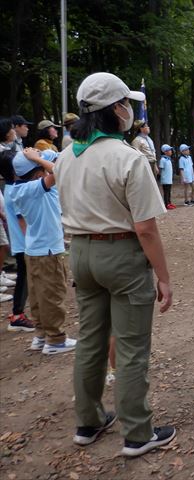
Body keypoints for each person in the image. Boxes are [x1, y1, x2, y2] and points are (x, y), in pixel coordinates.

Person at [54, 72, 175, 457]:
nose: (130, 111)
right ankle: (138, 432)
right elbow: (146, 229)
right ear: (114, 110)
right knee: (131, 346)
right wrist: (164, 277)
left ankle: (87, 421)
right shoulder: (128, 158)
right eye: (127, 104)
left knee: (90, 340)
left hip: (80, 254)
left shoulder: (64, 158)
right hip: (121, 255)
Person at [9, 148, 76, 354]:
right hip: (48, 251)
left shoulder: (18, 189)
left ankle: (40, 335)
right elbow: (61, 171)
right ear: (38, 173)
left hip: (34, 249)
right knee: (53, 294)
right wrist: (36, 158)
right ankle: (55, 340)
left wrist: (36, 160)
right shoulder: (34, 188)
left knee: (38, 295)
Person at [0, 150, 34, 328]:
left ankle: (18, 313)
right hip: (24, 243)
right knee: (24, 278)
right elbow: (23, 223)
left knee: (25, 277)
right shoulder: (16, 190)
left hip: (21, 242)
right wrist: (32, 241)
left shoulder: (10, 187)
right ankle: (17, 314)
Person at [158, 144, 176, 210]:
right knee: (166, 192)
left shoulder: (169, 159)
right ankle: (166, 204)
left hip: (169, 179)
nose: (171, 151)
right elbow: (161, 169)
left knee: (169, 191)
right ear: (165, 152)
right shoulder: (163, 159)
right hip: (165, 179)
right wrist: (161, 177)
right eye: (169, 150)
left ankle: (169, 202)